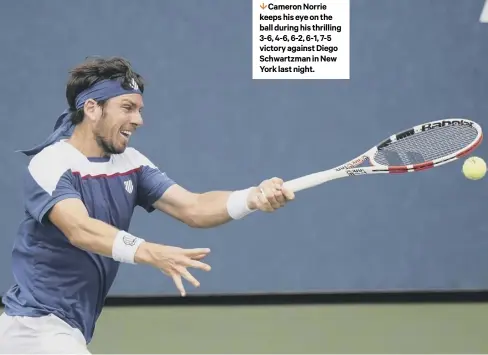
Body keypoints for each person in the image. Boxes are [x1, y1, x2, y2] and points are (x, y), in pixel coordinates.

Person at [0, 56, 295, 353]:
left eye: (139, 110)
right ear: (91, 108)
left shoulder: (131, 164)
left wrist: (252, 197)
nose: (138, 120)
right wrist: (148, 252)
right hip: (34, 326)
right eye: (127, 108)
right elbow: (80, 229)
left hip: (66, 328)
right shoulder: (51, 162)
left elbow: (193, 207)